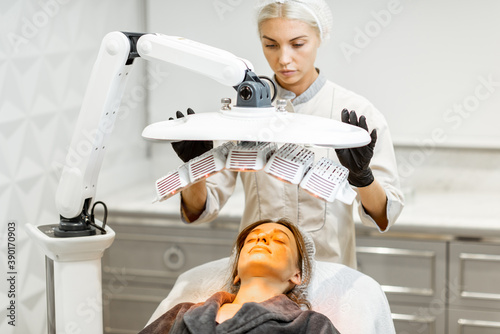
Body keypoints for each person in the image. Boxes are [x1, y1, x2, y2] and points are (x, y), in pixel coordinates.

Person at [171, 0, 404, 268]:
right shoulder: (242, 113)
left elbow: (385, 216)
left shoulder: (357, 113)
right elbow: (200, 210)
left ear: (320, 36)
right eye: (271, 45)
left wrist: (362, 178)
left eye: (297, 44)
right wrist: (194, 169)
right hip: (258, 275)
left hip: (328, 274)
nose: (283, 59)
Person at [139, 218, 340, 333]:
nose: (261, 238)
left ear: (297, 275)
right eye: (252, 239)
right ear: (236, 273)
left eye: (279, 240)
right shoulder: (183, 312)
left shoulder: (311, 324)